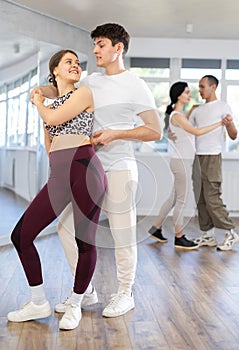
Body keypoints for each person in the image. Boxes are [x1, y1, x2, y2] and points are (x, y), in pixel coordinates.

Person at [32, 23, 162, 318]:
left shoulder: (136, 85)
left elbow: (155, 130)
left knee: (121, 232)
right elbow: (60, 89)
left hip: (119, 166)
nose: (94, 51)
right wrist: (40, 90)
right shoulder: (91, 80)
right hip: (87, 166)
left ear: (118, 48)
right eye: (94, 45)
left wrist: (116, 134)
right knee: (65, 228)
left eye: (101, 44)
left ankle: (125, 292)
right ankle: (85, 291)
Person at [7, 49, 107, 330]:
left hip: (86, 170)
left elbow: (52, 120)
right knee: (21, 235)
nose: (75, 65)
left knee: (84, 242)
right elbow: (50, 148)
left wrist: (39, 100)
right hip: (60, 173)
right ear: (56, 71)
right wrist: (42, 100)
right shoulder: (51, 104)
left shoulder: (83, 94)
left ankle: (76, 303)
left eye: (77, 62)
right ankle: (37, 300)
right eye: (69, 62)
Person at [147, 81, 223, 249]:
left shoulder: (178, 116)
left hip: (180, 161)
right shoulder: (177, 116)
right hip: (182, 163)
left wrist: (192, 111)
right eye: (187, 92)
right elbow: (196, 132)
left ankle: (156, 228)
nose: (190, 95)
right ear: (179, 95)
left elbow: (183, 129)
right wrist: (220, 123)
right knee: (181, 200)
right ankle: (179, 237)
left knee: (174, 198)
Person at [189, 75, 239, 251]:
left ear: (213, 87)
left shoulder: (222, 107)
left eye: (202, 87)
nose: (200, 90)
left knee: (212, 197)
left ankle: (230, 232)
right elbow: (185, 131)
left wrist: (229, 124)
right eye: (199, 87)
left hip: (212, 157)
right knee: (201, 198)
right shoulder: (197, 110)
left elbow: (233, 135)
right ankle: (208, 235)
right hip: (198, 157)